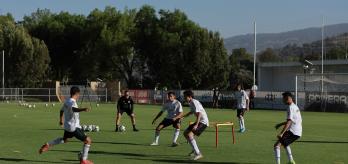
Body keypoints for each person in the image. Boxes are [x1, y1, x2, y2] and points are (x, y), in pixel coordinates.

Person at [38, 87, 93, 164]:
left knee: (65, 140)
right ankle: (84, 160)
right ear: (77, 94)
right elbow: (74, 109)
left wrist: (61, 120)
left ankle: (48, 144)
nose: (79, 96)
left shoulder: (67, 101)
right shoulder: (72, 102)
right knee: (88, 140)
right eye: (78, 94)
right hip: (74, 127)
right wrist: (83, 109)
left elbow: (61, 110)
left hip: (67, 126)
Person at [274, 92, 302, 164]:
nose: (283, 100)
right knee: (285, 143)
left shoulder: (290, 108)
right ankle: (291, 161)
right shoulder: (295, 106)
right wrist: (280, 124)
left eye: (284, 99)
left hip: (292, 131)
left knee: (277, 145)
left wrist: (281, 133)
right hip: (298, 132)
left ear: (288, 98)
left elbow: (289, 122)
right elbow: (293, 120)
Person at [181, 90, 209, 161]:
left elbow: (199, 113)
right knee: (185, 133)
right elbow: (192, 112)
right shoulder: (190, 102)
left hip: (203, 122)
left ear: (190, 97)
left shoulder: (194, 102)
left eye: (185, 97)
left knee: (190, 135)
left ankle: (199, 154)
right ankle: (194, 149)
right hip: (199, 121)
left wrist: (196, 125)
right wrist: (183, 116)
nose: (184, 98)